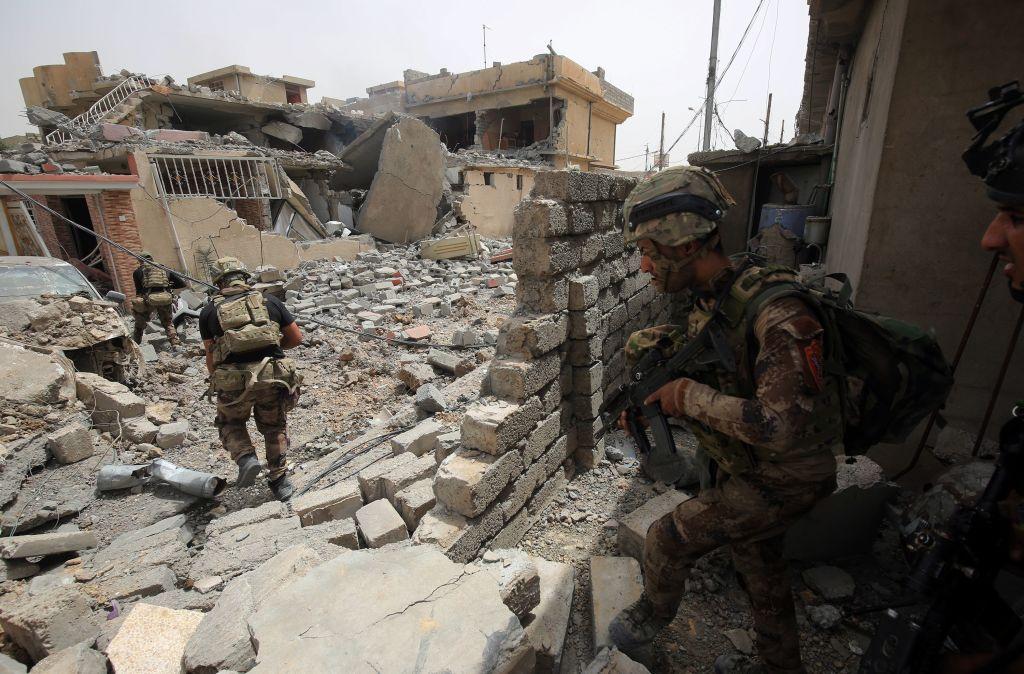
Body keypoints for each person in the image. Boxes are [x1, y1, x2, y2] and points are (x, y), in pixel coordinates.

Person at [608, 166, 843, 674]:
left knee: (668, 536)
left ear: (684, 245)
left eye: (649, 251)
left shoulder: (778, 311)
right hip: (750, 464)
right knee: (760, 569)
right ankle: (779, 665)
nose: (644, 266)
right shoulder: (718, 297)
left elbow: (781, 426)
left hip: (789, 472)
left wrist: (686, 397)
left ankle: (649, 619)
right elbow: (718, 367)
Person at [199, 257, 303, 501]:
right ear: (245, 277)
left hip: (233, 380)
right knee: (274, 427)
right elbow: (296, 338)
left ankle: (246, 458)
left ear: (218, 282)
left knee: (230, 423)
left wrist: (218, 379)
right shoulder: (270, 301)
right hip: (271, 376)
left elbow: (211, 356)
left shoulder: (209, 311)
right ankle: (279, 481)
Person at [131, 251, 186, 346]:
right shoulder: (164, 269)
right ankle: (175, 343)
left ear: (140, 261)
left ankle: (135, 344)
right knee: (168, 322)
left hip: (148, 300)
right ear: (152, 259)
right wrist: (167, 287)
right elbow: (182, 283)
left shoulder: (138, 272)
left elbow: (139, 291)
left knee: (139, 323)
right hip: (165, 298)